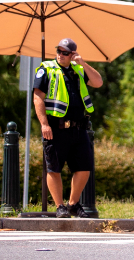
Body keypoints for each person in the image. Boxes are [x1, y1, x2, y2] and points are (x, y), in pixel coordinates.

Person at [32, 38, 103, 218]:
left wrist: (83, 62)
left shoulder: (79, 69)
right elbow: (37, 97)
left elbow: (98, 82)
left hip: (79, 129)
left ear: (72, 54)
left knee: (84, 167)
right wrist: (44, 124)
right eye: (59, 51)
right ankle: (59, 206)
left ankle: (72, 204)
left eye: (65, 53)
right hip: (56, 128)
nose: (60, 55)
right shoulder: (46, 69)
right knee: (54, 168)